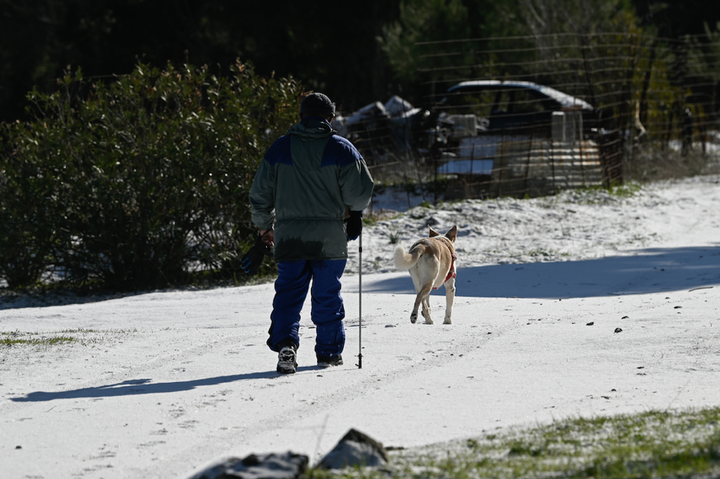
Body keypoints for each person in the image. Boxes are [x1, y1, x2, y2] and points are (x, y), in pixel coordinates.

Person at [248, 92, 374, 374]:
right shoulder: (342, 148)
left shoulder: (279, 149)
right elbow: (361, 192)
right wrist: (354, 213)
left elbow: (259, 194)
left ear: (301, 116)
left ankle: (286, 345)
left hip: (290, 237)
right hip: (329, 238)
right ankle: (329, 352)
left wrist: (265, 226)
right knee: (327, 293)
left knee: (289, 293)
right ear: (330, 117)